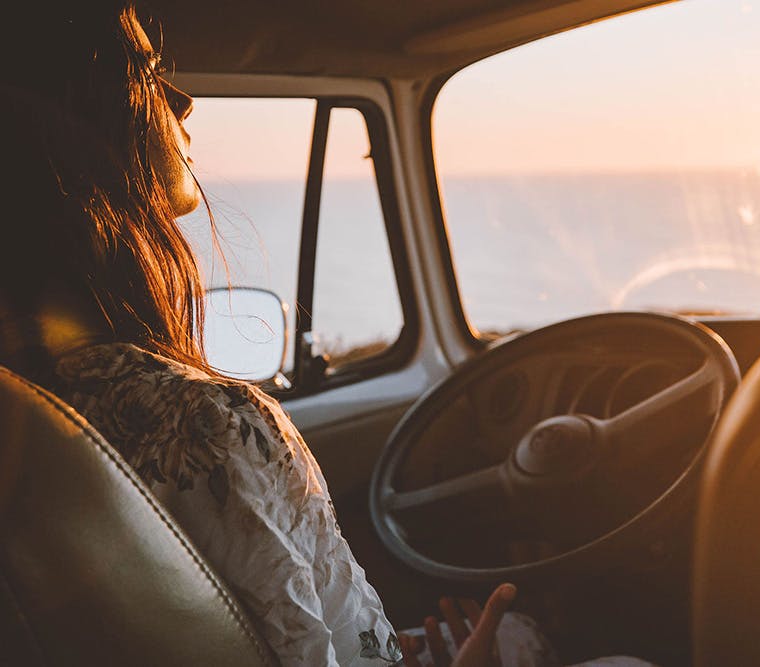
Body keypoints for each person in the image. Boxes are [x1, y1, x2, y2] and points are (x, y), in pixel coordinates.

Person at [0, 2, 526, 665]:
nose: (183, 101)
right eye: (148, 69)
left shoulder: (28, 416)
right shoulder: (209, 424)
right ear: (68, 118)